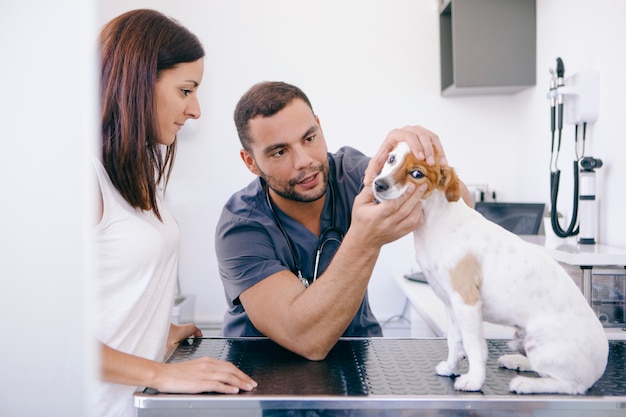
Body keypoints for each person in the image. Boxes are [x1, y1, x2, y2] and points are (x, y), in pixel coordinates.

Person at [216, 81, 472, 361]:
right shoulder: (241, 226)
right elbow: (307, 339)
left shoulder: (352, 175)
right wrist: (364, 240)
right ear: (250, 162)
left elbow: (461, 210)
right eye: (280, 152)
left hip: (357, 359)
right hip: (268, 373)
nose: (304, 161)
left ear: (319, 126)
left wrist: (427, 162)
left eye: (309, 138)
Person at [95, 9, 256, 417]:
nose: (196, 109)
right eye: (186, 90)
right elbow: (48, 335)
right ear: (136, 84)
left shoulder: (134, 173)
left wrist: (156, 332)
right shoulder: (81, 179)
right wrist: (166, 375)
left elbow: (108, 292)